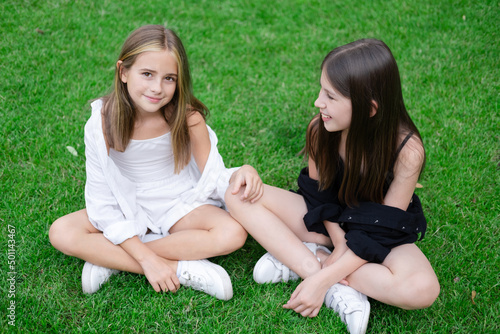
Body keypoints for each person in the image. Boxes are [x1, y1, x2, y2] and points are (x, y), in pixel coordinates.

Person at [225, 39, 440, 333]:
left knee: (422, 289)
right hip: (331, 223)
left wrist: (326, 277)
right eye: (321, 90)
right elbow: (319, 197)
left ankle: (308, 263)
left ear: (370, 109)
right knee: (237, 197)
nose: (318, 102)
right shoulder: (320, 130)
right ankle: (314, 266)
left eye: (330, 96)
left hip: (379, 235)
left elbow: (383, 227)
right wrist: (339, 243)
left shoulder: (407, 152)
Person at [49, 25, 263, 301]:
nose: (157, 88)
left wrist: (239, 174)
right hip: (125, 201)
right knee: (62, 232)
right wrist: (147, 261)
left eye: (169, 78)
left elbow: (212, 172)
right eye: (147, 74)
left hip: (177, 200)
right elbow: (102, 200)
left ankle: (109, 256)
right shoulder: (101, 122)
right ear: (123, 72)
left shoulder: (187, 117)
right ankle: (180, 267)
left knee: (232, 233)